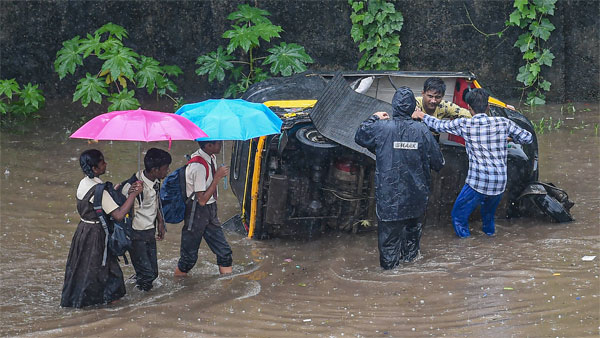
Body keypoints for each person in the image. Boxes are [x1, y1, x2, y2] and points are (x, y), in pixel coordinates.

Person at [412, 88, 533, 238]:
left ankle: (467, 246)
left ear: (469, 108)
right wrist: (510, 138)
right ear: (487, 107)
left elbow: (438, 126)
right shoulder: (503, 123)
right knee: (488, 217)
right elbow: (528, 138)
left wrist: (421, 115)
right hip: (499, 183)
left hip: (478, 183)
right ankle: (489, 238)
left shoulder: (466, 124)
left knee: (458, 216)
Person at [355, 87, 444, 270]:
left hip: (390, 199)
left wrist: (374, 117)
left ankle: (390, 279)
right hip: (416, 198)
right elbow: (439, 162)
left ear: (394, 106)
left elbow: (360, 136)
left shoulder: (381, 128)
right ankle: (409, 276)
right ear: (413, 107)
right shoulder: (423, 131)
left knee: (389, 244)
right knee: (412, 245)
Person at [61, 149, 142, 308]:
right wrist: (133, 195)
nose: (105, 164)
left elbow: (97, 205)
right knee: (103, 270)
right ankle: (104, 304)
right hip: (97, 235)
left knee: (84, 267)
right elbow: (118, 215)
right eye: (102, 162)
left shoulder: (84, 183)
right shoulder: (99, 191)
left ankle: (80, 299)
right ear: (94, 169)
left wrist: (115, 190)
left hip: (84, 230)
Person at [174, 140, 232, 276]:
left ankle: (228, 289)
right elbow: (202, 200)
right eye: (218, 143)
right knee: (188, 259)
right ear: (208, 145)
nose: (221, 145)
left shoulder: (211, 157)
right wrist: (217, 177)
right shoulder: (198, 166)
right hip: (197, 212)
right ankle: (178, 284)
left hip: (210, 210)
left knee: (224, 253)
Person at [120, 148, 171, 291]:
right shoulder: (133, 186)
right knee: (147, 276)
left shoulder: (156, 181)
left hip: (149, 231)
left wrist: (161, 221)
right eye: (165, 169)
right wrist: (131, 193)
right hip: (136, 235)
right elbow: (120, 210)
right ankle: (140, 304)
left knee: (153, 273)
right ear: (155, 170)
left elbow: (156, 201)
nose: (167, 172)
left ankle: (137, 284)